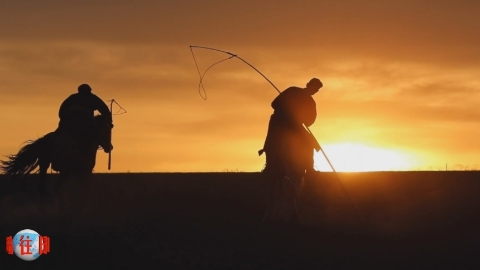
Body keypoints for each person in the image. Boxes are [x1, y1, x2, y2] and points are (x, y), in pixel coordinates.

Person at [260, 78, 323, 175]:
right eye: (314, 87)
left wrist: (300, 118)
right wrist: (287, 110)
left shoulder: (311, 102)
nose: (315, 91)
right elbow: (274, 104)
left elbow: (310, 120)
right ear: (308, 84)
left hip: (295, 126)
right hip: (279, 123)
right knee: (272, 143)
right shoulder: (292, 90)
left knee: (309, 143)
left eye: (317, 89)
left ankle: (309, 167)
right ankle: (270, 167)